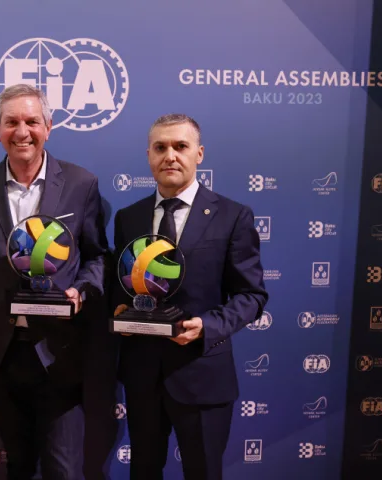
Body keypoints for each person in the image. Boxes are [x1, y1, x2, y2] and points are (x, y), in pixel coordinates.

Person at [0, 84, 107, 479]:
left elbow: (98, 257)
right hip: (1, 354)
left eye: (31, 121)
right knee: (18, 466)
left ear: (49, 127)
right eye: (11, 122)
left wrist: (82, 291)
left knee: (63, 470)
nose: (22, 131)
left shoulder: (80, 183)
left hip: (60, 350)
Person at [112, 114, 268, 479]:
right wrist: (118, 311)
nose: (170, 155)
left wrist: (207, 325)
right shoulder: (127, 217)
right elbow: (120, 284)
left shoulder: (232, 216)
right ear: (148, 155)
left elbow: (251, 294)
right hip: (142, 376)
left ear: (199, 154)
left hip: (202, 374)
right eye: (160, 147)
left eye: (180, 146)